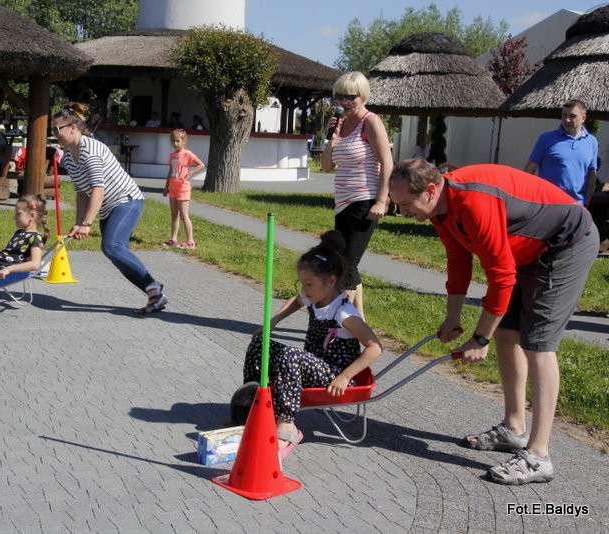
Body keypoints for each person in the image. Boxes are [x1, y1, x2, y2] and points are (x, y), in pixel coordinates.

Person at [388, 159, 598, 485]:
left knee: (538, 345)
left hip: (565, 244)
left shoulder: (473, 201)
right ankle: (514, 429)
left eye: (405, 204)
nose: (402, 212)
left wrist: (480, 338)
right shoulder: (439, 209)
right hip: (526, 252)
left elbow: (501, 277)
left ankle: (539, 456)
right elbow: (459, 260)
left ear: (430, 190)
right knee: (507, 334)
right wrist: (453, 316)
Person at [240, 230, 382, 459]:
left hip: (334, 373)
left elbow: (375, 347)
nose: (303, 290)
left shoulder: (343, 311)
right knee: (260, 344)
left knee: (291, 356)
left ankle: (287, 426)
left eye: (308, 284)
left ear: (331, 281)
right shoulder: (317, 295)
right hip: (314, 365)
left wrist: (345, 377)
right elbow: (297, 301)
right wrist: (272, 323)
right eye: (302, 284)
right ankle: (252, 406)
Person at [52, 102, 168, 314]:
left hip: (126, 200)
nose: (54, 134)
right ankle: (154, 294)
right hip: (108, 208)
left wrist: (87, 224)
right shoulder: (68, 156)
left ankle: (154, 287)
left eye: (56, 129)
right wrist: (79, 223)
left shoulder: (91, 150)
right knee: (115, 252)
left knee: (111, 246)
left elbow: (98, 189)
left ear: (72, 127)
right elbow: (81, 193)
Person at [319, 71, 393, 319]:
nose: (342, 102)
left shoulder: (371, 122)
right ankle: (358, 320)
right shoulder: (340, 124)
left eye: (348, 97)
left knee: (346, 265)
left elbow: (387, 162)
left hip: (365, 200)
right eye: (338, 97)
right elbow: (326, 167)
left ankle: (339, 320)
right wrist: (332, 138)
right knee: (346, 261)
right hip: (342, 203)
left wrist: (382, 200)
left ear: (362, 96)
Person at [524, 99, 598, 206]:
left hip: (576, 206)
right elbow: (529, 170)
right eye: (564, 115)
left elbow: (592, 175)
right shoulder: (546, 138)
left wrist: (586, 202)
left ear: (583, 118)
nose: (567, 119)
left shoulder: (592, 142)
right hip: (547, 204)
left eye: (572, 116)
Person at [161, 129, 205, 249]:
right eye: (173, 141)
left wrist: (190, 173)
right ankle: (173, 239)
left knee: (184, 215)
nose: (175, 144)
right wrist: (166, 188)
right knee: (174, 215)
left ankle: (190, 241)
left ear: (184, 141)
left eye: (177, 141)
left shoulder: (187, 154)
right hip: (173, 188)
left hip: (183, 189)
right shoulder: (172, 156)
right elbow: (170, 172)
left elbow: (201, 164)